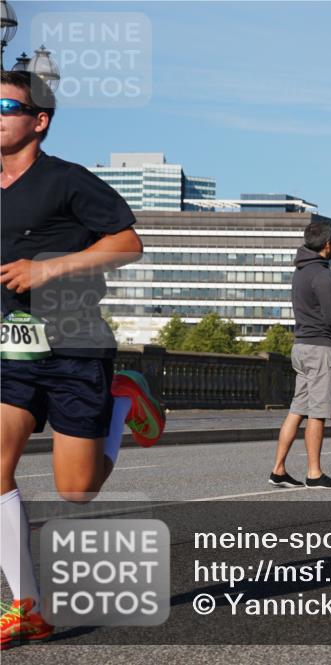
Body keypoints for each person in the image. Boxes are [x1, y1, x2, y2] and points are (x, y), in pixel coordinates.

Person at [1, 71, 163, 650]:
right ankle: (26, 608)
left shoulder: (67, 181)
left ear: (38, 120)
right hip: (11, 349)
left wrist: (48, 268)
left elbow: (127, 243)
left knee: (76, 492)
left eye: (6, 105)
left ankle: (123, 400)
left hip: (74, 345)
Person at [269, 222, 331, 490]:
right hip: (320, 348)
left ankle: (278, 470)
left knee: (297, 409)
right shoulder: (322, 273)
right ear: (327, 245)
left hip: (301, 346)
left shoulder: (300, 270)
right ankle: (314, 473)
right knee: (317, 414)